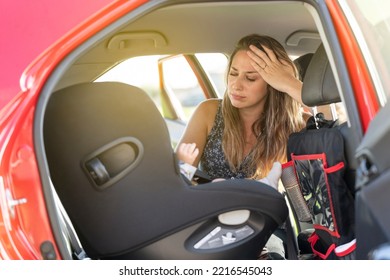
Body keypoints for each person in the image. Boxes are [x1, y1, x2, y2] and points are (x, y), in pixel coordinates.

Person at [176, 34, 308, 259]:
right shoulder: (208, 112)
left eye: (251, 78)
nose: (236, 85)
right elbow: (177, 177)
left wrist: (288, 83)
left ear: (271, 82)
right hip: (209, 220)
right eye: (233, 73)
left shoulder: (294, 125)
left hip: (265, 228)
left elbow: (331, 117)